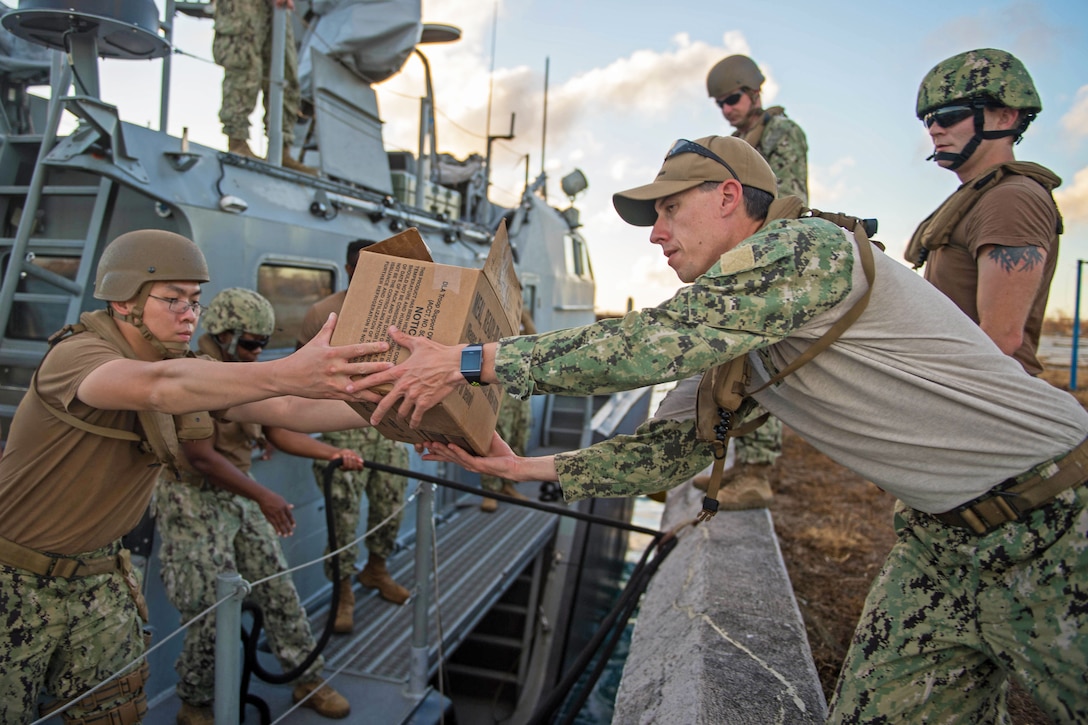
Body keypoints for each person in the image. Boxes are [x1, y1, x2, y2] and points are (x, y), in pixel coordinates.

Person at [356, 135, 1088, 724]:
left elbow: (651, 342)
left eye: (669, 211)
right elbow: (670, 447)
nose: (658, 236)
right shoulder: (741, 325)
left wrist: (473, 360)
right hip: (942, 544)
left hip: (1061, 515)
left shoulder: (804, 250)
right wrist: (523, 469)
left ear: (730, 196)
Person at [0, 229, 388, 725]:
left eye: (195, 301)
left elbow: (290, 406)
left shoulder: (182, 365)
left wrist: (400, 407)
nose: (189, 313)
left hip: (99, 578)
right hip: (17, 579)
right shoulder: (77, 357)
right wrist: (289, 370)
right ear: (123, 301)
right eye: (173, 299)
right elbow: (159, 389)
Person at [158, 288, 363, 723]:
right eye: (250, 344)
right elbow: (200, 457)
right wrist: (265, 496)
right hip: (192, 497)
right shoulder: (197, 373)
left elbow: (280, 427)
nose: (256, 354)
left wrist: (332, 454)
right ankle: (195, 704)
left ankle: (307, 678)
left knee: (277, 587)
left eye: (262, 346)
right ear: (225, 334)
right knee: (209, 611)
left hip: (240, 490)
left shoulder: (246, 374)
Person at [907, 48, 1061, 376]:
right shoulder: (979, 196)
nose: (934, 130)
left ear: (1005, 117)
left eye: (948, 115)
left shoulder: (1011, 199)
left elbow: (999, 340)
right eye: (929, 120)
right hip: (959, 392)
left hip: (983, 401)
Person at [699, 53, 811, 508]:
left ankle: (760, 473)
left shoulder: (783, 134)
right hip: (744, 259)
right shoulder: (737, 142)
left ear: (756, 91)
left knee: (766, 363)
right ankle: (740, 465)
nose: (727, 109)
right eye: (720, 103)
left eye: (733, 98)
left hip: (774, 258)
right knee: (738, 365)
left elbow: (786, 199)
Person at [297, 240, 411, 632]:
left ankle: (376, 570)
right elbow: (299, 372)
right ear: (347, 269)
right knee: (341, 516)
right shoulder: (322, 312)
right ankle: (342, 590)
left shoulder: (400, 307)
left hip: (388, 422)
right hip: (340, 420)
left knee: (390, 503)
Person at [214, 0, 315, 174]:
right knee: (244, 65)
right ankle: (237, 142)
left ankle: (282, 149)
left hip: (275, 7)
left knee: (285, 73)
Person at [478, 309, 536, 513]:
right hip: (498, 390)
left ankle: (508, 485)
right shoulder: (496, 317)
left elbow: (534, 339)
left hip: (520, 391)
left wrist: (524, 316)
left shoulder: (521, 320)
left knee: (521, 435)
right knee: (497, 437)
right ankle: (490, 491)